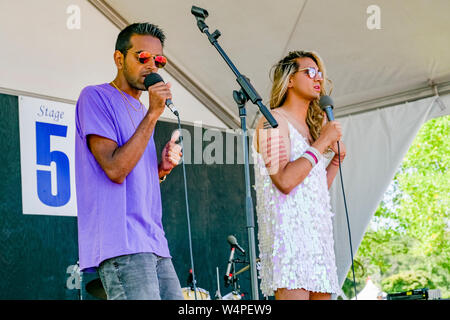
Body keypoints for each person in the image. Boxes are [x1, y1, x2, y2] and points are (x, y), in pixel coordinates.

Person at [75, 23, 184, 300]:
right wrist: (152, 115)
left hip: (155, 241)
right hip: (122, 243)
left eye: (158, 60)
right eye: (142, 57)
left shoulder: (143, 110)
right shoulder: (95, 96)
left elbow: (134, 173)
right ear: (119, 59)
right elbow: (114, 168)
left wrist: (160, 169)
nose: (151, 66)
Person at [253, 50, 347, 300]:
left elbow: (312, 194)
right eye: (310, 72)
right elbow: (284, 181)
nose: (318, 79)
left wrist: (336, 161)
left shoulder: (311, 130)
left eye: (321, 74)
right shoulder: (271, 121)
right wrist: (323, 141)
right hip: (289, 243)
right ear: (290, 80)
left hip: (318, 241)